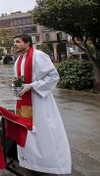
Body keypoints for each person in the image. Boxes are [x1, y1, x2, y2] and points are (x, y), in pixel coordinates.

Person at [13, 34, 71, 174]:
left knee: (44, 130)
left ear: (27, 43)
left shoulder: (39, 56)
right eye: (14, 42)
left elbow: (53, 76)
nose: (15, 44)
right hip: (24, 101)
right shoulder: (19, 59)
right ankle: (32, 162)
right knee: (29, 131)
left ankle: (50, 163)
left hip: (39, 100)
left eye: (18, 42)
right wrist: (17, 88)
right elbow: (19, 79)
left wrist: (32, 85)